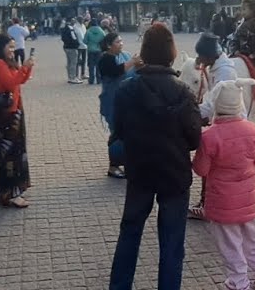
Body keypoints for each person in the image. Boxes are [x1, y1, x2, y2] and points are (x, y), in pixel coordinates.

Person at [108, 24, 202, 290]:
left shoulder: (126, 90)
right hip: (175, 173)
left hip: (140, 171)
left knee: (130, 233)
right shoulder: (183, 92)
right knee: (172, 243)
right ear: (172, 53)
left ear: (145, 52)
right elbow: (195, 139)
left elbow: (118, 130)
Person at [193, 79, 255, 290]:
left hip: (222, 202)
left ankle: (239, 282)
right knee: (254, 240)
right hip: (249, 200)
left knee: (230, 245)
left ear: (217, 105)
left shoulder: (209, 136)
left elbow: (201, 170)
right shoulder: (253, 129)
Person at [0, 33, 36, 208]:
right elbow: (10, 83)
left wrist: (27, 68)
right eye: (10, 47)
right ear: (1, 47)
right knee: (9, 154)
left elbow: (21, 80)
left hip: (15, 111)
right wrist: (23, 68)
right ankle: (9, 193)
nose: (13, 50)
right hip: (5, 115)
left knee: (16, 152)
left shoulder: (9, 63)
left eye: (14, 46)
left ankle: (10, 190)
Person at [97, 31, 141, 179]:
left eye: (121, 41)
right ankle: (113, 165)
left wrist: (138, 65)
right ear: (109, 45)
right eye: (117, 42)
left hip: (128, 101)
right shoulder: (105, 59)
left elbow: (133, 73)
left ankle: (128, 162)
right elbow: (116, 72)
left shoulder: (125, 55)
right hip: (112, 102)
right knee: (117, 134)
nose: (121, 44)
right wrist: (133, 62)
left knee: (129, 133)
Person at [61, 18, 83, 84]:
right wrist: (77, 44)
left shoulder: (64, 28)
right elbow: (74, 38)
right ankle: (73, 77)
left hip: (66, 47)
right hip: (72, 48)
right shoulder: (71, 29)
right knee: (73, 63)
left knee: (69, 63)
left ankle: (70, 77)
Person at [84, 19, 106, 85]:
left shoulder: (88, 31)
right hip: (99, 50)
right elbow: (105, 40)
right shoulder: (101, 31)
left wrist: (90, 43)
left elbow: (84, 41)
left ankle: (91, 80)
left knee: (91, 65)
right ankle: (99, 80)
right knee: (98, 65)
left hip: (90, 50)